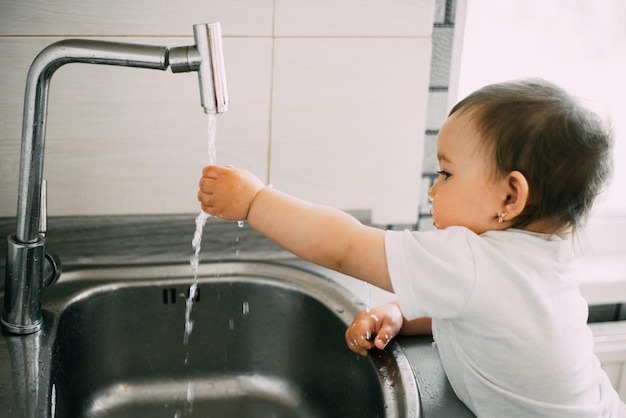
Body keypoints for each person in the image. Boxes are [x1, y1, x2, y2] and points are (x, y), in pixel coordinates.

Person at [198, 78, 624, 417]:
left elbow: (344, 246)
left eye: (446, 174)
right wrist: (403, 313)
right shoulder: (541, 258)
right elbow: (480, 313)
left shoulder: (473, 259)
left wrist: (255, 202)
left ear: (510, 198)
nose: (432, 191)